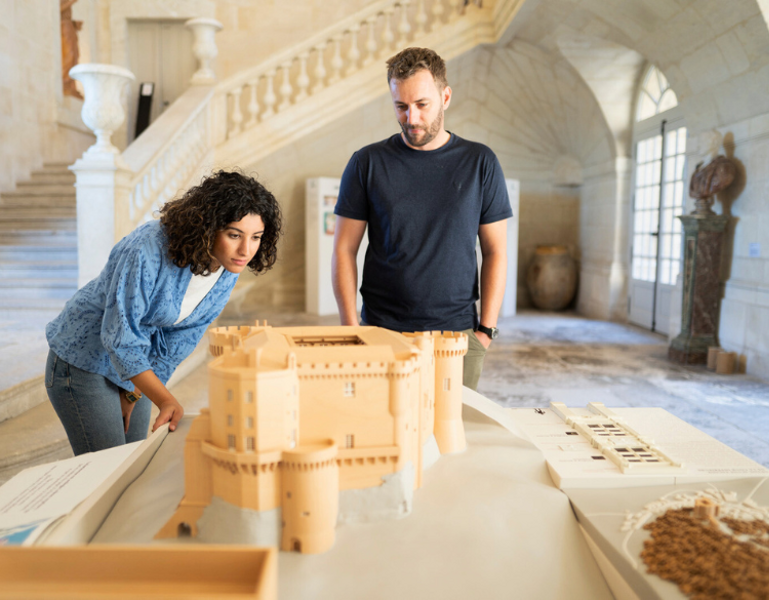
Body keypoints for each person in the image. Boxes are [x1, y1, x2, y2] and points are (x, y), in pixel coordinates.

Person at [45, 170, 282, 455]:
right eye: (234, 234)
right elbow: (120, 336)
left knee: (131, 464)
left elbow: (180, 339)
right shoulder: (146, 249)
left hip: (137, 359)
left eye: (256, 237)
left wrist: (134, 392)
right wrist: (166, 399)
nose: (246, 249)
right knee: (106, 473)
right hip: (84, 358)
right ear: (209, 226)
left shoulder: (228, 264)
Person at [332, 47, 511, 390]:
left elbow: (496, 251)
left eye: (422, 105)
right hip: (381, 331)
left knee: (450, 436)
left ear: (445, 97)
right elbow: (343, 249)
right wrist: (351, 328)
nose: (411, 118)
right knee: (383, 434)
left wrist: (485, 331)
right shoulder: (366, 163)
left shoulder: (480, 162)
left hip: (457, 335)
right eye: (401, 106)